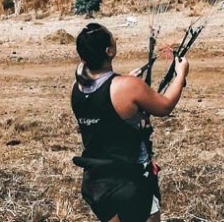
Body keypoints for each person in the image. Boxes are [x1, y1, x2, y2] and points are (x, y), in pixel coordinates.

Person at [71, 22, 190, 222]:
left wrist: (126, 81)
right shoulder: (127, 87)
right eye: (112, 37)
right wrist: (180, 74)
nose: (114, 39)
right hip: (130, 181)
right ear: (109, 51)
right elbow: (165, 106)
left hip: (96, 183)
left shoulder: (78, 89)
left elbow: (106, 112)